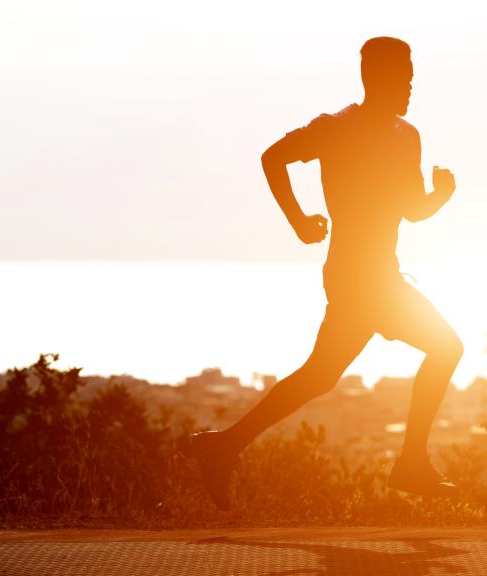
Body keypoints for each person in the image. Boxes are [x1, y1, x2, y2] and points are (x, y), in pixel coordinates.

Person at [187, 36, 463, 509]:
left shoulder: (407, 135)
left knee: (319, 376)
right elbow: (272, 157)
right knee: (445, 347)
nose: (411, 86)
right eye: (403, 77)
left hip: (382, 276)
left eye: (413, 77)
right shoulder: (336, 127)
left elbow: (412, 211)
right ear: (374, 78)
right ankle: (411, 464)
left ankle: (222, 445)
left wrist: (441, 194)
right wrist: (298, 221)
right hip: (358, 277)